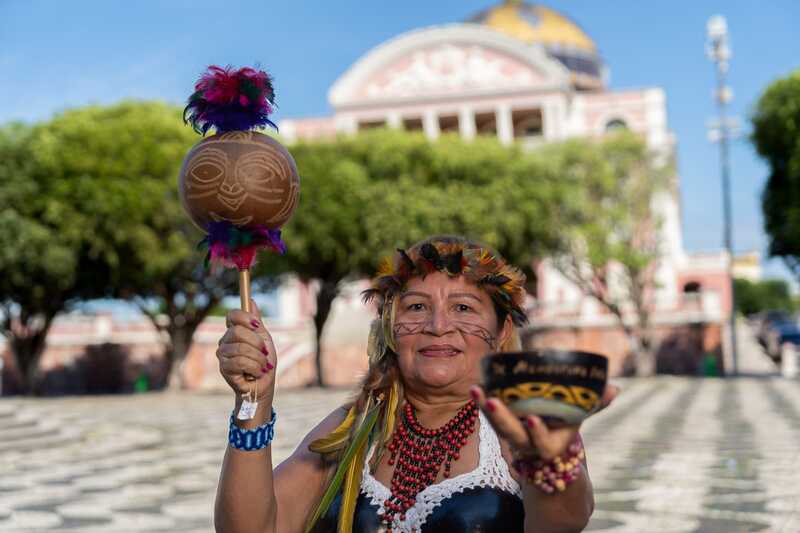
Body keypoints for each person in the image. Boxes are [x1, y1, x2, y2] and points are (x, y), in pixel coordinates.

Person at [214, 235, 617, 533]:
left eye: (463, 308)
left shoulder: (517, 427)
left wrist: (552, 465)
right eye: (417, 307)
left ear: (502, 329)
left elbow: (563, 521)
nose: (438, 327)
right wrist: (253, 405)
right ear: (391, 329)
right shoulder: (352, 429)